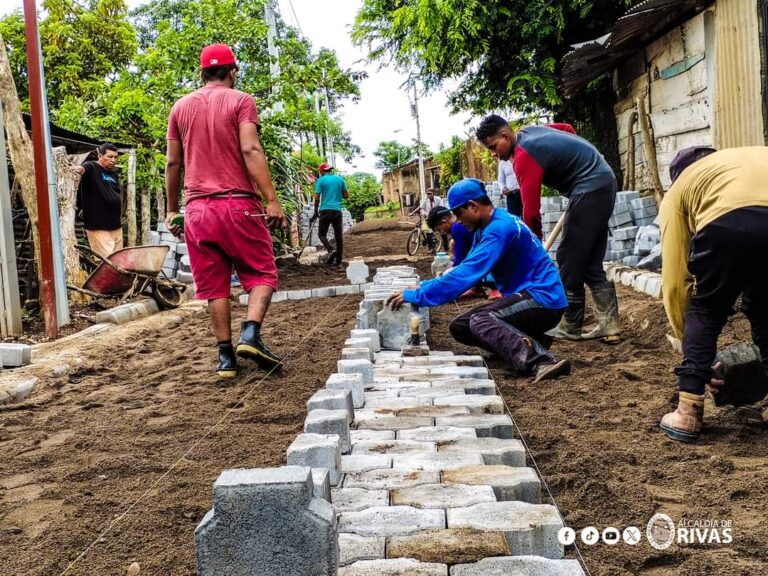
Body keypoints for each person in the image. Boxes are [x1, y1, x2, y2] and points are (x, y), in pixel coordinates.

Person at [165, 43, 288, 379]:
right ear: (233, 72)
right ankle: (250, 334)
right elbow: (250, 148)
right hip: (238, 205)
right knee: (262, 274)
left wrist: (173, 209)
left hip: (198, 213)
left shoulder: (180, 108)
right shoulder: (241, 101)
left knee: (215, 287)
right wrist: (272, 200)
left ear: (202, 73)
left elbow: (173, 162)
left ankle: (225, 359)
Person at [388, 178, 570, 382]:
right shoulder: (486, 227)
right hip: (527, 296)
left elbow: (466, 274)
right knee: (461, 327)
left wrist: (417, 294)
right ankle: (532, 340)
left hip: (543, 298)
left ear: (473, 206)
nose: (457, 220)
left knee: (481, 320)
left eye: (458, 214)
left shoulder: (499, 229)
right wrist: (423, 286)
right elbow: (468, 268)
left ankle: (540, 360)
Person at [658, 146, 768, 443]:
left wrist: (692, 351)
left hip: (728, 222)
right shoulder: (747, 157)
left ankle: (688, 413)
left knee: (706, 307)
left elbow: (675, 282)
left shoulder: (681, 188)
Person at [477, 115, 620, 342]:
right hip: (602, 181)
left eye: (493, 147)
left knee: (567, 257)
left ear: (505, 136)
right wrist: (579, 159)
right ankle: (609, 325)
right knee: (589, 261)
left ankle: (571, 324)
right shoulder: (530, 132)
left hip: (589, 187)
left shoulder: (523, 157)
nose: (494, 154)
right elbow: (568, 128)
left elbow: (531, 212)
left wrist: (533, 244)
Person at [73, 143, 123, 257]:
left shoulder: (113, 173)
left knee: (119, 261)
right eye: (110, 157)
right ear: (100, 156)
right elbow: (82, 169)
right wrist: (76, 169)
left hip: (116, 226)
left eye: (115, 157)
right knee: (107, 263)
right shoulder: (91, 167)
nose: (113, 160)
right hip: (98, 227)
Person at [313, 162, 348, 266]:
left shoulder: (320, 181)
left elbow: (317, 197)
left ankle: (331, 250)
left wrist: (315, 212)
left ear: (321, 171)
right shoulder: (340, 179)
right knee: (338, 236)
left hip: (325, 210)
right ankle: (338, 261)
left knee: (322, 235)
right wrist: (337, 193)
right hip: (337, 210)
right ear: (330, 170)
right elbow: (346, 195)